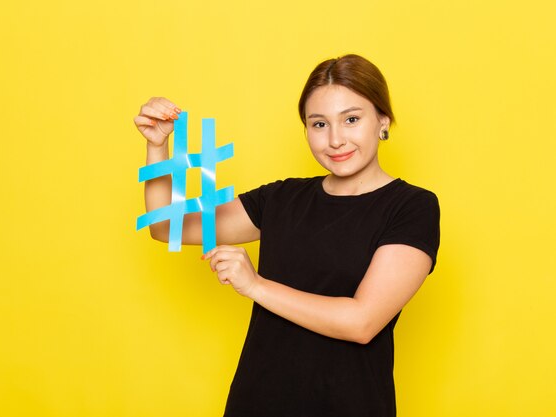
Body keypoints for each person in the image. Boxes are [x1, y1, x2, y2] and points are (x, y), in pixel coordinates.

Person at [133, 54, 440, 417]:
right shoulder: (281, 198)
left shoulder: (412, 207)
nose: (336, 139)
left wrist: (256, 286)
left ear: (382, 121)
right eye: (319, 124)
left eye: (352, 119)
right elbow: (167, 226)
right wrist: (157, 147)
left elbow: (362, 322)